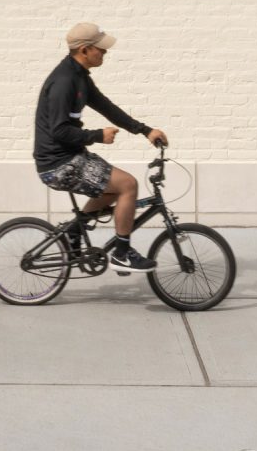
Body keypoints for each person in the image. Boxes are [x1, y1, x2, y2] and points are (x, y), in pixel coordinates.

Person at [33, 25, 168, 274]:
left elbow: (106, 107)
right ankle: (122, 253)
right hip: (58, 163)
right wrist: (97, 136)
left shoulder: (79, 76)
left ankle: (74, 232)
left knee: (112, 189)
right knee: (127, 185)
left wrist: (145, 130)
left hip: (70, 155)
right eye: (101, 49)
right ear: (84, 50)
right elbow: (58, 131)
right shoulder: (64, 81)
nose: (105, 53)